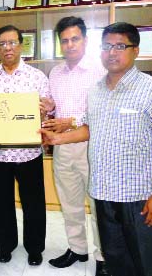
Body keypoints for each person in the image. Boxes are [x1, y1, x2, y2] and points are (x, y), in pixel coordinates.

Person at [40, 22, 152, 276]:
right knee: (77, 211)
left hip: (121, 175)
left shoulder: (138, 85)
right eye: (107, 46)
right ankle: (85, 253)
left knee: (140, 253)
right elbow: (90, 122)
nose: (112, 52)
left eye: (120, 46)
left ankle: (107, 259)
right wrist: (54, 133)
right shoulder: (78, 83)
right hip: (86, 168)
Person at [0, 24, 54, 266]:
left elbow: (49, 112)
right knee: (2, 203)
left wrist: (49, 108)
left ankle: (35, 247)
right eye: (2, 44)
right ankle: (5, 246)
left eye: (12, 42)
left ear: (21, 45)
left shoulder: (36, 77)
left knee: (34, 203)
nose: (8, 48)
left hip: (29, 152)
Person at [42, 17, 110, 276]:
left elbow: (102, 111)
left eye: (75, 39)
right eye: (65, 40)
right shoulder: (56, 73)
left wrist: (69, 121)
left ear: (85, 40)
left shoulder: (100, 71)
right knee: (69, 203)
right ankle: (77, 248)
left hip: (92, 144)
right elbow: (56, 108)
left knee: (97, 205)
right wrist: (50, 109)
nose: (70, 45)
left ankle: (103, 256)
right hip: (62, 147)